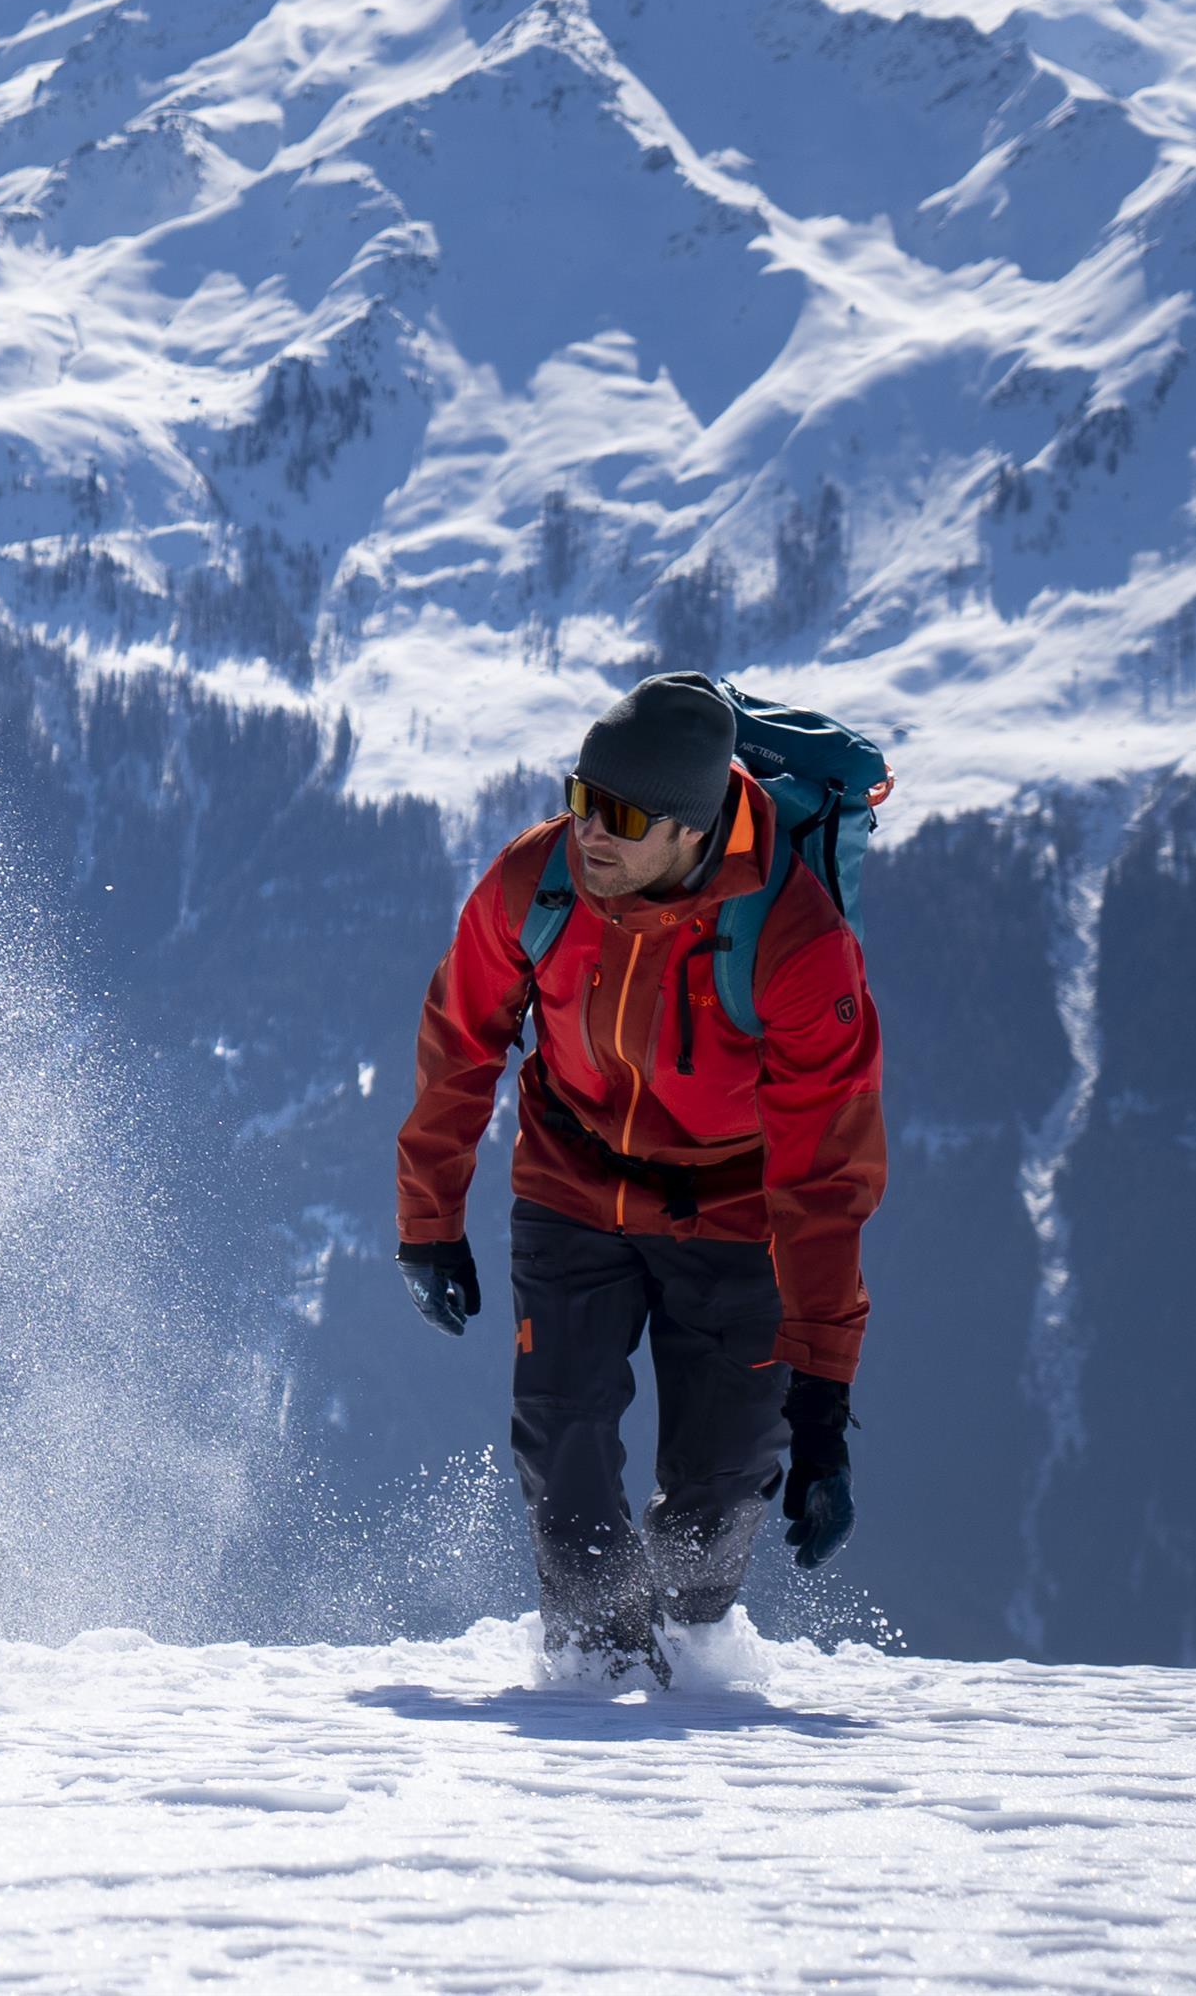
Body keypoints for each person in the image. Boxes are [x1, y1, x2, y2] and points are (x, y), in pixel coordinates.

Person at [389, 674, 883, 1683]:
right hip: (571, 1188)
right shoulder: (540, 882)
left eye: (617, 816)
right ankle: (588, 1673)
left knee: (717, 1489)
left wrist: (823, 1410)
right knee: (561, 1448)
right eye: (579, 796)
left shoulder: (794, 943)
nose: (588, 832)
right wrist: (427, 1222)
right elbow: (459, 1039)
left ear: (690, 831)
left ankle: (689, 1664)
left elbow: (825, 1179)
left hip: (738, 1215)